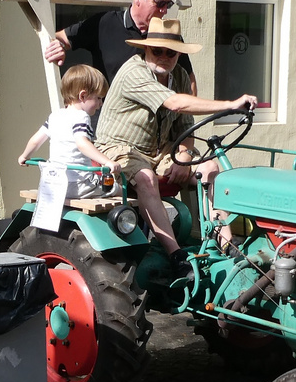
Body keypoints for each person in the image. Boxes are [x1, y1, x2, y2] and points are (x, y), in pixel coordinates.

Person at [94, 17, 255, 258]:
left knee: (210, 167)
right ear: (146, 49)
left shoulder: (178, 76)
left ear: (178, 54)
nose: (163, 57)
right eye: (157, 51)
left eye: (170, 52)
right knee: (146, 177)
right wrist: (231, 105)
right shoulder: (134, 72)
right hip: (120, 149)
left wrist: (184, 153)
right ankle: (177, 256)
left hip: (159, 151)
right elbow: (176, 104)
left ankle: (225, 248)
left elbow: (185, 124)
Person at [44, 0, 196, 91]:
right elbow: (60, 37)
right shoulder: (104, 23)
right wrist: (59, 46)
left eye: (168, 5)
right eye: (160, 3)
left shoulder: (167, 33)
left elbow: (189, 81)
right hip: (107, 122)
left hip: (153, 125)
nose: (164, 10)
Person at [16, 64, 116, 199]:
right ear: (83, 96)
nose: (101, 103)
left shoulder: (55, 116)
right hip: (78, 185)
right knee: (118, 188)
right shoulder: (81, 117)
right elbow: (82, 144)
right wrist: (107, 162)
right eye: (98, 98)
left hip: (53, 184)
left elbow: (36, 140)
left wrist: (24, 156)